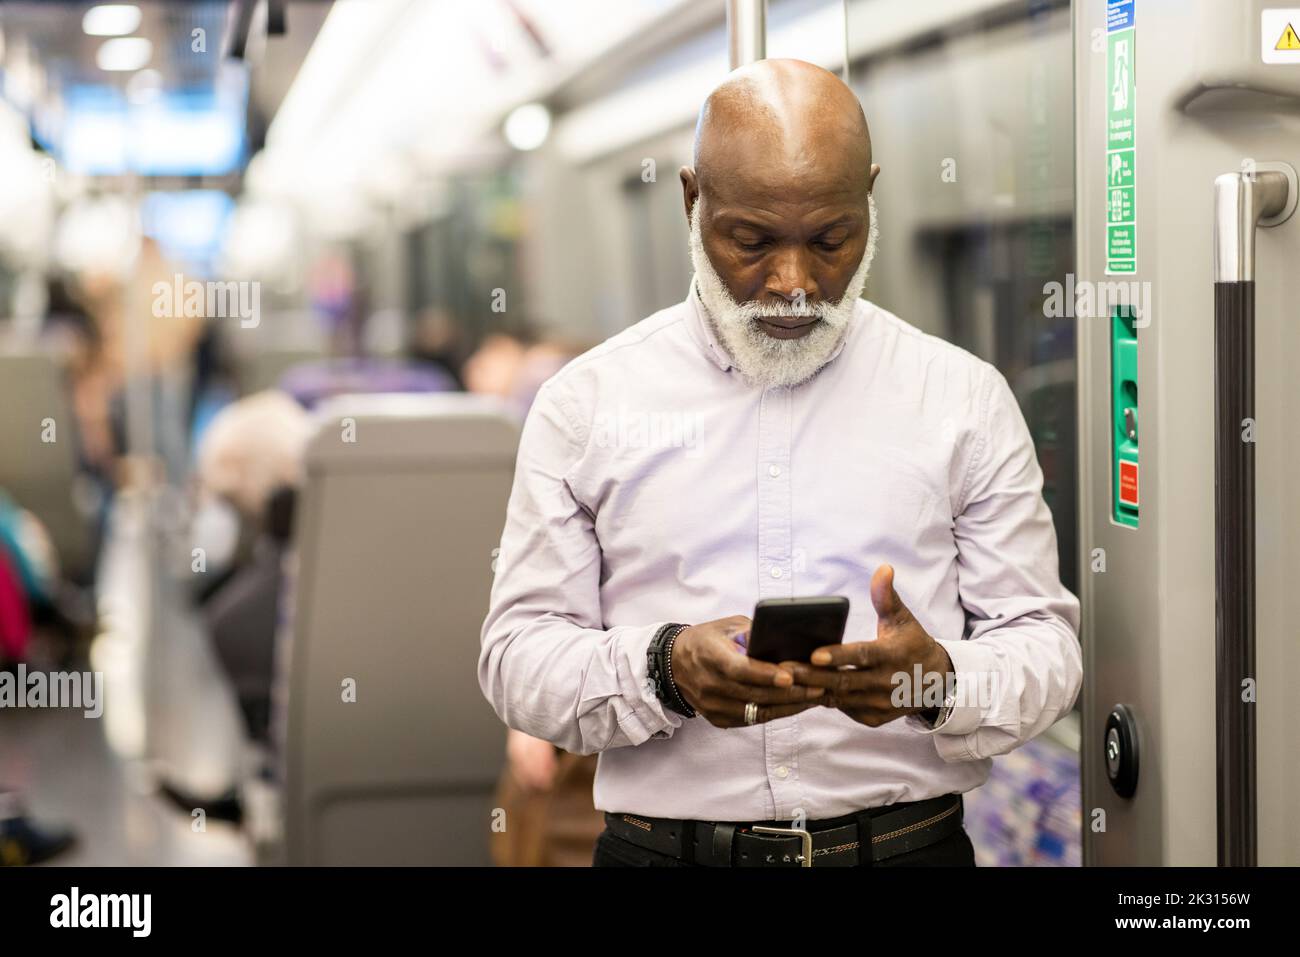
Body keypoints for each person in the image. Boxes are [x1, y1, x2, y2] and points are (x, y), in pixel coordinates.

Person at [479, 59, 1081, 868]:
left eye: (832, 239)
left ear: (869, 199)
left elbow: (1046, 647)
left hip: (904, 848)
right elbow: (516, 658)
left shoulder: (961, 398)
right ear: (693, 203)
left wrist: (936, 683)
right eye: (752, 241)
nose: (795, 285)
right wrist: (662, 668)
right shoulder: (586, 405)